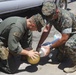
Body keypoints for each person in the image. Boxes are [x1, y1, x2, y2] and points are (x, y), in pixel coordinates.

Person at [36, 1, 76, 73]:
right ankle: (66, 54)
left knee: (69, 45)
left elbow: (64, 38)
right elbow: (47, 30)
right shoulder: (51, 15)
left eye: (50, 16)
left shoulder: (66, 18)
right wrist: (39, 45)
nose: (49, 18)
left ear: (57, 11)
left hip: (74, 34)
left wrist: (50, 47)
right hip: (68, 34)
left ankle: (75, 64)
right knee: (59, 59)